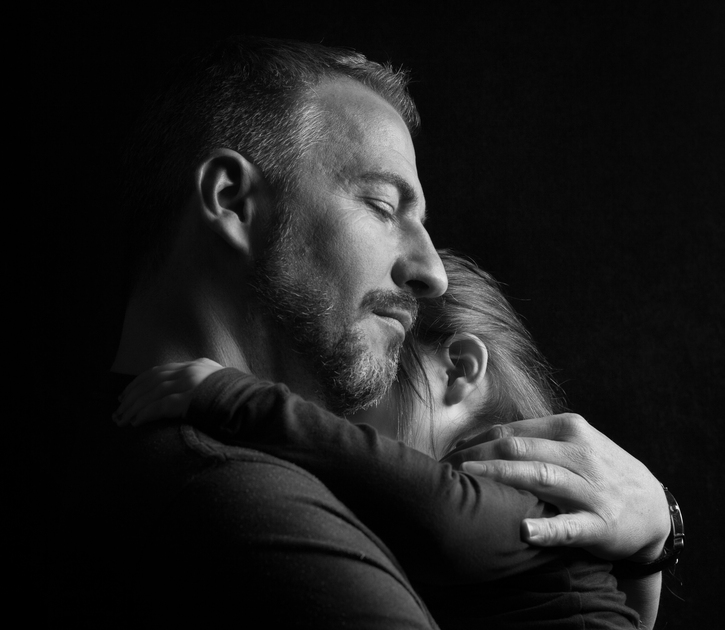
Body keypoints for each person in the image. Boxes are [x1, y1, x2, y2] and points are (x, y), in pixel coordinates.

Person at [72, 36, 675, 628]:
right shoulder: (247, 508)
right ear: (232, 201)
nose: (433, 272)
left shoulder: (121, 460)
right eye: (384, 207)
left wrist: (653, 537)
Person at [115, 251, 662, 629]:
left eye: (378, 379)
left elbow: (442, 515)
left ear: (459, 369)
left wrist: (237, 398)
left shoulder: (523, 484)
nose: (339, 413)